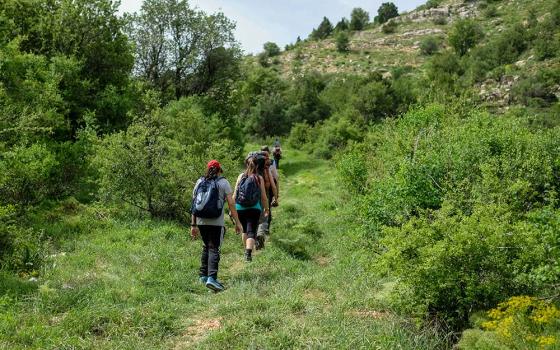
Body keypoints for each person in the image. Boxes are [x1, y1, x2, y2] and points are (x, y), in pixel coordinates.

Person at [191, 160, 243, 292]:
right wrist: (237, 222)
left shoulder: (199, 182)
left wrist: (193, 224)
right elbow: (231, 203)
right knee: (214, 248)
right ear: (219, 170)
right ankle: (212, 278)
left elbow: (194, 204)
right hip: (216, 221)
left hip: (201, 221)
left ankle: (203, 276)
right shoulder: (223, 182)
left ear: (207, 170)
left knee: (206, 246)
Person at [234, 156, 269, 262]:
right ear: (257, 165)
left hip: (240, 207)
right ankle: (248, 253)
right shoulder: (259, 178)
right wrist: (266, 208)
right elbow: (263, 196)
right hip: (254, 208)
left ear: (246, 164)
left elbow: (235, 194)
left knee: (244, 230)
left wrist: (232, 210)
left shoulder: (241, 176)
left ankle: (246, 251)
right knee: (251, 231)